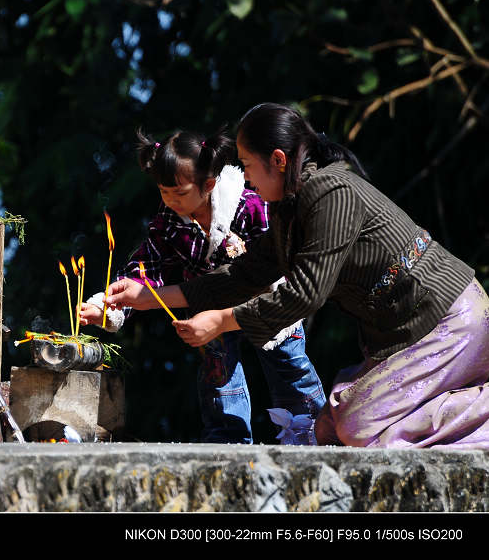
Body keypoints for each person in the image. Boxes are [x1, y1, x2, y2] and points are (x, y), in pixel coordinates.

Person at [105, 103, 489, 448]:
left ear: (277, 159)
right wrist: (149, 297)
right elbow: (243, 274)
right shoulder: (289, 208)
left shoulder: (329, 192)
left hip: (447, 319)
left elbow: (306, 293)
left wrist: (223, 320)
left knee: (357, 429)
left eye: (247, 164)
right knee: (325, 430)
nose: (243, 177)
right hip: (408, 332)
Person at [79, 127, 325, 444]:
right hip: (209, 309)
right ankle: (227, 441)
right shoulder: (168, 221)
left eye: (179, 193)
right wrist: (112, 304)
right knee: (218, 375)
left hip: (268, 301)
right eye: (164, 192)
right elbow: (147, 267)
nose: (170, 201)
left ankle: (311, 434)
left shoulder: (251, 206)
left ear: (208, 185)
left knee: (288, 365)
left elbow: (275, 263)